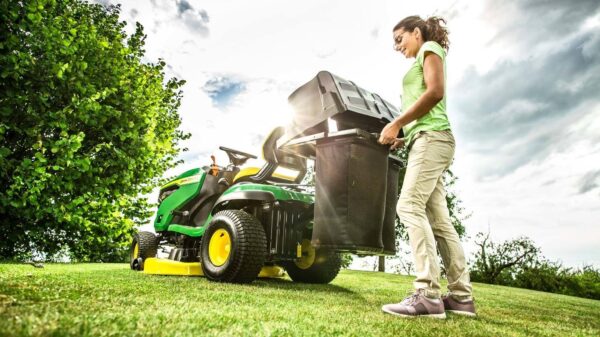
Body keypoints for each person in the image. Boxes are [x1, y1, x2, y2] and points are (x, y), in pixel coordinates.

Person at [378, 15, 475, 319]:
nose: (397, 47)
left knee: (407, 205)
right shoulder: (421, 54)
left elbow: (435, 92)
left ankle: (428, 294)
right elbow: (426, 112)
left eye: (399, 39)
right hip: (428, 139)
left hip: (433, 140)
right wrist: (404, 138)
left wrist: (397, 123)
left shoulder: (429, 48)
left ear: (416, 33)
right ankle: (460, 298)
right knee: (439, 221)